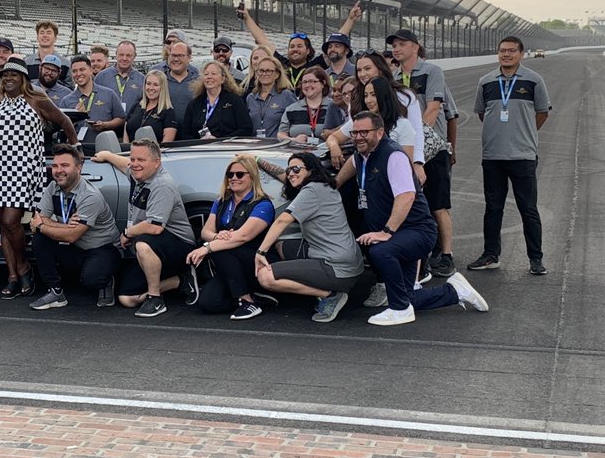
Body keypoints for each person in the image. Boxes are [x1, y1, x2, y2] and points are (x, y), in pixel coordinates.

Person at [336, 112, 489, 326]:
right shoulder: (360, 157)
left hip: (416, 231)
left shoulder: (393, 156)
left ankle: (400, 310)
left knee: (380, 250)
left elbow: (406, 196)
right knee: (408, 296)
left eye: (364, 132)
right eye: (354, 132)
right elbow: (337, 181)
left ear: (379, 133)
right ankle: (454, 291)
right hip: (401, 233)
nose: (358, 137)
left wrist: (386, 232)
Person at [0, 58, 78, 299]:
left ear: (23, 79)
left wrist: (76, 147)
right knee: (3, 224)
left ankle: (23, 266)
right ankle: (13, 276)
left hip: (23, 169)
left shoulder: (37, 100)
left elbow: (64, 121)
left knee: (11, 220)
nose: (8, 78)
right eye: (5, 75)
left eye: (14, 75)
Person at [468, 36, 552, 275]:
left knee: (528, 209)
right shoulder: (486, 81)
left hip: (523, 156)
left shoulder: (534, 80)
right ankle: (490, 255)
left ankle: (535, 258)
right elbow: (483, 113)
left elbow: (542, 112)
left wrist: (523, 132)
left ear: (521, 54)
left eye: (512, 51)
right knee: (493, 208)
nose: (506, 55)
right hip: (493, 156)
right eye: (503, 51)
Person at [255, 151, 365, 323]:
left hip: (336, 266)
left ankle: (330, 295)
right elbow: (284, 175)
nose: (291, 173)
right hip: (348, 260)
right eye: (289, 169)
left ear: (311, 171)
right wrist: (257, 159)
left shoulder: (312, 190)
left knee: (265, 277)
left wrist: (260, 253)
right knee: (282, 246)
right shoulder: (323, 186)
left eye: (296, 169)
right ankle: (319, 285)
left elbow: (283, 220)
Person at [93, 138, 197, 317]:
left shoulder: (161, 185)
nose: (134, 164)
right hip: (154, 244)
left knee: (143, 244)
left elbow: (155, 227)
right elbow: (124, 164)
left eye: (141, 160)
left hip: (179, 246)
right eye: (133, 159)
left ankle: (155, 299)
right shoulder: (138, 174)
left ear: (156, 163)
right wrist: (108, 155)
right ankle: (180, 281)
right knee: (127, 298)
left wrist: (128, 233)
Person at [387, 29, 457, 279]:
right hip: (406, 150)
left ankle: (447, 255)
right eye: (394, 45)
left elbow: (434, 108)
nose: (396, 49)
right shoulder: (393, 76)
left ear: (416, 47)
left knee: (438, 205)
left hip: (430, 148)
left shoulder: (432, 71)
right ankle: (421, 257)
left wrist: (416, 139)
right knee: (416, 205)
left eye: (402, 44)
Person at [28, 144, 121, 310]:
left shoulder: (90, 196)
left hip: (102, 248)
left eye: (65, 165)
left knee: (92, 280)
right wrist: (62, 225)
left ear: (79, 167)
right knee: (39, 239)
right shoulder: (52, 187)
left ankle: (106, 280)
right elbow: (37, 219)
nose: (58, 170)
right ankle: (56, 293)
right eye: (55, 166)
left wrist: (43, 225)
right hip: (75, 247)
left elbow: (71, 235)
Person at [187, 155, 275, 320]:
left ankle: (247, 301)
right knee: (208, 304)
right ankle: (257, 298)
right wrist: (216, 236)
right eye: (230, 174)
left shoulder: (263, 204)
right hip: (230, 264)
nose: (234, 178)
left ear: (252, 176)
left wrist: (206, 248)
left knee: (221, 250)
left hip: (256, 261)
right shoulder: (221, 200)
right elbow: (205, 232)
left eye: (240, 174)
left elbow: (243, 237)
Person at [62, 55, 125, 144]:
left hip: (105, 148)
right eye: (74, 71)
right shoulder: (66, 100)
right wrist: (74, 118)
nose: (78, 74)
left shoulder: (108, 94)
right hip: (77, 149)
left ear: (91, 70)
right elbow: (62, 129)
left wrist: (105, 125)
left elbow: (121, 119)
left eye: (82, 69)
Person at [182, 60, 253, 139]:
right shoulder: (194, 103)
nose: (209, 77)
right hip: (200, 149)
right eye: (206, 74)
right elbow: (185, 133)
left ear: (223, 79)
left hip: (225, 148)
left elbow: (246, 129)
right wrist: (199, 142)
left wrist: (219, 140)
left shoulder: (234, 101)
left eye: (213, 74)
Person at [245, 55, 297, 138]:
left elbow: (296, 123)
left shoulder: (286, 96)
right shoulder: (251, 97)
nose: (264, 74)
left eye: (269, 71)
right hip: (255, 146)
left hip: (278, 146)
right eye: (261, 71)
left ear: (277, 74)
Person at [124, 69, 178, 144]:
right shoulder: (136, 105)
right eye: (148, 83)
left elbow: (167, 143)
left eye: (155, 85)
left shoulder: (168, 111)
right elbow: (126, 133)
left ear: (163, 88)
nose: (151, 88)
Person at [277, 67, 330, 142]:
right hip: (297, 151)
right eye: (304, 82)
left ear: (323, 83)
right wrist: (293, 139)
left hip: (327, 151)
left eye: (312, 81)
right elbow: (281, 135)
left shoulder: (333, 107)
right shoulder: (291, 109)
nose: (307, 85)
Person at [95, 40, 144, 110]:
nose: (124, 58)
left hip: (131, 120)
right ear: (116, 55)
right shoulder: (101, 77)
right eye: (121, 55)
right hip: (107, 120)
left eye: (128, 55)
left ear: (134, 56)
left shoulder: (142, 80)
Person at [162, 40, 199, 124]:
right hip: (165, 134)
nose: (176, 59)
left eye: (180, 56)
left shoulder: (199, 82)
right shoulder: (160, 81)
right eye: (173, 55)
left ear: (189, 57)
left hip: (192, 134)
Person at [24, 20, 71, 86]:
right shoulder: (26, 63)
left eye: (49, 33)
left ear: (55, 38)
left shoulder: (66, 64)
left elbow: (70, 90)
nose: (45, 35)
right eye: (42, 32)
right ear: (37, 37)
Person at [321, 75, 358, 139]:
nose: (335, 94)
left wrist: (335, 131)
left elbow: (353, 130)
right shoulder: (332, 105)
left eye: (339, 91)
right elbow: (324, 134)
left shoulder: (361, 107)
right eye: (334, 90)